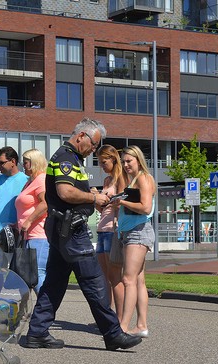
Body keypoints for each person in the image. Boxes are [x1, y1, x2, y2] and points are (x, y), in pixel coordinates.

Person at [24, 118, 142, 351]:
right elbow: (65, 191)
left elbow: (69, 192)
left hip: (61, 229)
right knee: (94, 282)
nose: (94, 150)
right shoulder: (66, 157)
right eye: (94, 144)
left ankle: (37, 332)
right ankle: (113, 334)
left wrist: (91, 197)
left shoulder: (69, 157)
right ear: (81, 137)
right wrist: (93, 198)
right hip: (71, 231)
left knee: (54, 282)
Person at [113, 145, 156, 338]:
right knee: (138, 280)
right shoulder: (133, 179)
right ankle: (141, 325)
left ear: (139, 160)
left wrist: (122, 202)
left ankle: (123, 327)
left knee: (128, 279)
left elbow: (146, 208)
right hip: (131, 232)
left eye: (129, 161)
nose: (125, 164)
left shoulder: (144, 178)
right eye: (123, 161)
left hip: (138, 233)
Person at [0, 146, 28, 268]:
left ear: (13, 162)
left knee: (17, 270)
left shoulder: (25, 180)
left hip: (14, 233)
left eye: (2, 163)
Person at [94, 145, 126, 314]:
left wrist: (109, 200)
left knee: (115, 277)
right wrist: (96, 199)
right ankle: (108, 315)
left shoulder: (120, 178)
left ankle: (120, 318)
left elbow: (120, 205)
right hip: (102, 229)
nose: (101, 165)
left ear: (113, 159)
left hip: (112, 230)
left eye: (103, 161)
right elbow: (103, 209)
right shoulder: (107, 181)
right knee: (103, 277)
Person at [14, 148, 49, 294]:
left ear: (34, 162)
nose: (23, 165)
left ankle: (46, 309)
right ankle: (39, 311)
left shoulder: (41, 179)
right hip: (27, 235)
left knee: (37, 274)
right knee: (28, 276)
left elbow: (45, 203)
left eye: (26, 162)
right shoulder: (30, 181)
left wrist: (28, 220)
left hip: (39, 234)